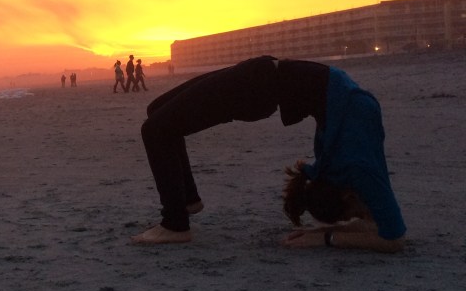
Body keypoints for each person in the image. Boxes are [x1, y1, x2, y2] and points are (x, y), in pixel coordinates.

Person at [130, 55, 406, 252]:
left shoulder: (351, 167)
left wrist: (324, 237)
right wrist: (327, 233)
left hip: (256, 87)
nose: (363, 212)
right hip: (260, 77)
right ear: (346, 195)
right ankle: (187, 201)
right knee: (157, 112)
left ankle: (175, 224)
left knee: (155, 130)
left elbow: (390, 237)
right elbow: (388, 235)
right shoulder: (354, 168)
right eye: (355, 213)